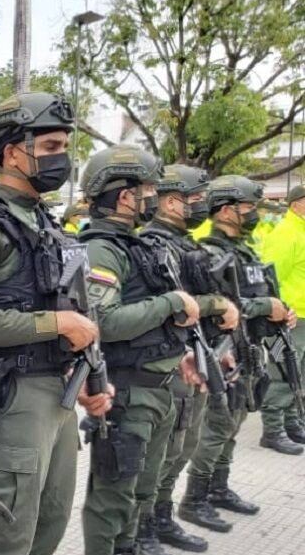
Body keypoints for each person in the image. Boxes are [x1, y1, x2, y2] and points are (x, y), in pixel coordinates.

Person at [0, 92, 113, 555]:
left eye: (64, 147)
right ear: (14, 152)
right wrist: (55, 324)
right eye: (52, 147)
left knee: (48, 527)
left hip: (57, 396)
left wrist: (90, 379)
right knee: (1, 538)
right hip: (12, 399)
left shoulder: (48, 225)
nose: (63, 158)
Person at [77, 145, 205, 555]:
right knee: (113, 498)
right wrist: (172, 303)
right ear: (126, 196)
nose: (153, 196)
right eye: (148, 188)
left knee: (141, 492)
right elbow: (105, 323)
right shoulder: (102, 249)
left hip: (159, 387)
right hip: (129, 392)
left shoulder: (133, 244)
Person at [141, 165, 240, 553]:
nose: (203, 205)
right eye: (196, 198)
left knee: (184, 446)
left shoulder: (185, 242)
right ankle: (145, 524)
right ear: (170, 201)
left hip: (198, 356)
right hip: (172, 361)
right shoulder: (154, 243)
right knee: (164, 452)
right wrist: (216, 304)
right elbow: (171, 305)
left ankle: (162, 516)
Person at [181, 176, 287, 528]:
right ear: (226, 211)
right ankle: (194, 499)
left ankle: (218, 488)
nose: (254, 214)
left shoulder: (244, 250)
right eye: (249, 208)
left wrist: (277, 310)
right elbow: (222, 305)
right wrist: (264, 306)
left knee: (235, 420)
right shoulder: (208, 253)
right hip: (222, 350)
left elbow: (254, 292)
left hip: (249, 347)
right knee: (217, 425)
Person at [259, 184, 305, 447]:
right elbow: (272, 277)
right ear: (296, 204)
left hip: (304, 317)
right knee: (283, 372)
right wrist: (279, 310)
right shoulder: (285, 233)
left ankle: (292, 422)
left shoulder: (301, 231)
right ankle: (273, 431)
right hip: (288, 317)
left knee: (298, 374)